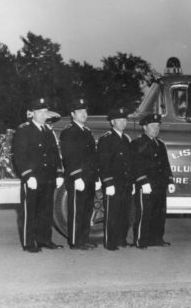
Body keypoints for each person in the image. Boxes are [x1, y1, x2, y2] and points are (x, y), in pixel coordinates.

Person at [12, 97, 64, 252]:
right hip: (33, 178)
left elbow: (55, 153)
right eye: (39, 111)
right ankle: (29, 243)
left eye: (45, 111)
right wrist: (28, 175)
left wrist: (59, 173)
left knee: (46, 211)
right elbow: (20, 156)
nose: (43, 115)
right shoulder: (24, 130)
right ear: (32, 113)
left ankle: (44, 240)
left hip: (48, 177)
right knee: (30, 211)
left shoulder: (48, 131)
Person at [59, 98, 99, 250]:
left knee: (87, 210)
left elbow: (92, 157)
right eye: (80, 111)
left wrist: (96, 177)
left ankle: (84, 239)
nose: (84, 114)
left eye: (85, 111)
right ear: (72, 114)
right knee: (77, 211)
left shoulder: (86, 131)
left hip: (88, 178)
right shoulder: (69, 132)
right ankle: (75, 242)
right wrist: (76, 177)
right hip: (78, 178)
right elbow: (69, 156)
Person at [131, 113, 176, 249]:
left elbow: (165, 164)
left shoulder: (160, 144)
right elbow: (136, 165)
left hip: (160, 184)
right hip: (147, 185)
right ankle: (140, 240)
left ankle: (157, 239)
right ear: (145, 127)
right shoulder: (137, 144)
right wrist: (143, 181)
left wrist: (170, 180)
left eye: (158, 126)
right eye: (152, 126)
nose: (156, 129)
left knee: (159, 213)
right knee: (145, 213)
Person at [97, 107, 133, 251]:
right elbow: (103, 163)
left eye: (125, 120)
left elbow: (129, 162)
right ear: (112, 122)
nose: (123, 122)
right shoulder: (106, 139)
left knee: (125, 213)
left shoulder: (126, 139)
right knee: (112, 213)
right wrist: (108, 182)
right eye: (119, 120)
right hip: (114, 182)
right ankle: (110, 241)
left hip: (126, 182)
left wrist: (132, 182)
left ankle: (121, 239)